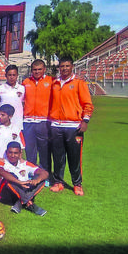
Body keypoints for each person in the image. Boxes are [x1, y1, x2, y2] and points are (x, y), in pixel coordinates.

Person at [48, 57, 94, 196]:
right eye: (62, 66)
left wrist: (85, 121)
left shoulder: (79, 83)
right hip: (56, 125)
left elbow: (88, 104)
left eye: (67, 66)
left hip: (74, 126)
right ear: (59, 68)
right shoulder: (55, 83)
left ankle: (77, 184)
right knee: (58, 157)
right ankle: (58, 182)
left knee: (74, 157)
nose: (64, 68)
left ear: (72, 67)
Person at [0, 142, 48, 216]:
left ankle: (21, 202)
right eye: (10, 153)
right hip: (7, 196)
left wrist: (37, 180)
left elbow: (45, 173)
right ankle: (29, 203)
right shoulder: (1, 162)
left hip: (23, 190)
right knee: (11, 177)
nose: (12, 156)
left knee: (41, 179)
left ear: (20, 153)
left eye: (15, 153)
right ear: (6, 152)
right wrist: (18, 182)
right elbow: (0, 171)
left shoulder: (25, 164)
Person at [22, 59, 52, 172]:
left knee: (44, 150)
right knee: (30, 150)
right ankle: (32, 172)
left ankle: (45, 174)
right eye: (34, 69)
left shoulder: (50, 81)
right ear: (31, 70)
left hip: (43, 122)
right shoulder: (25, 82)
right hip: (28, 122)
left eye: (39, 69)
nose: (37, 72)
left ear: (44, 69)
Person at [0, 65, 25, 130]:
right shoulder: (0, 88)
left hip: (17, 123)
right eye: (9, 75)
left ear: (17, 75)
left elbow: (24, 103)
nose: (11, 77)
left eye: (14, 75)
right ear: (5, 75)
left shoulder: (22, 88)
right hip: (2, 123)